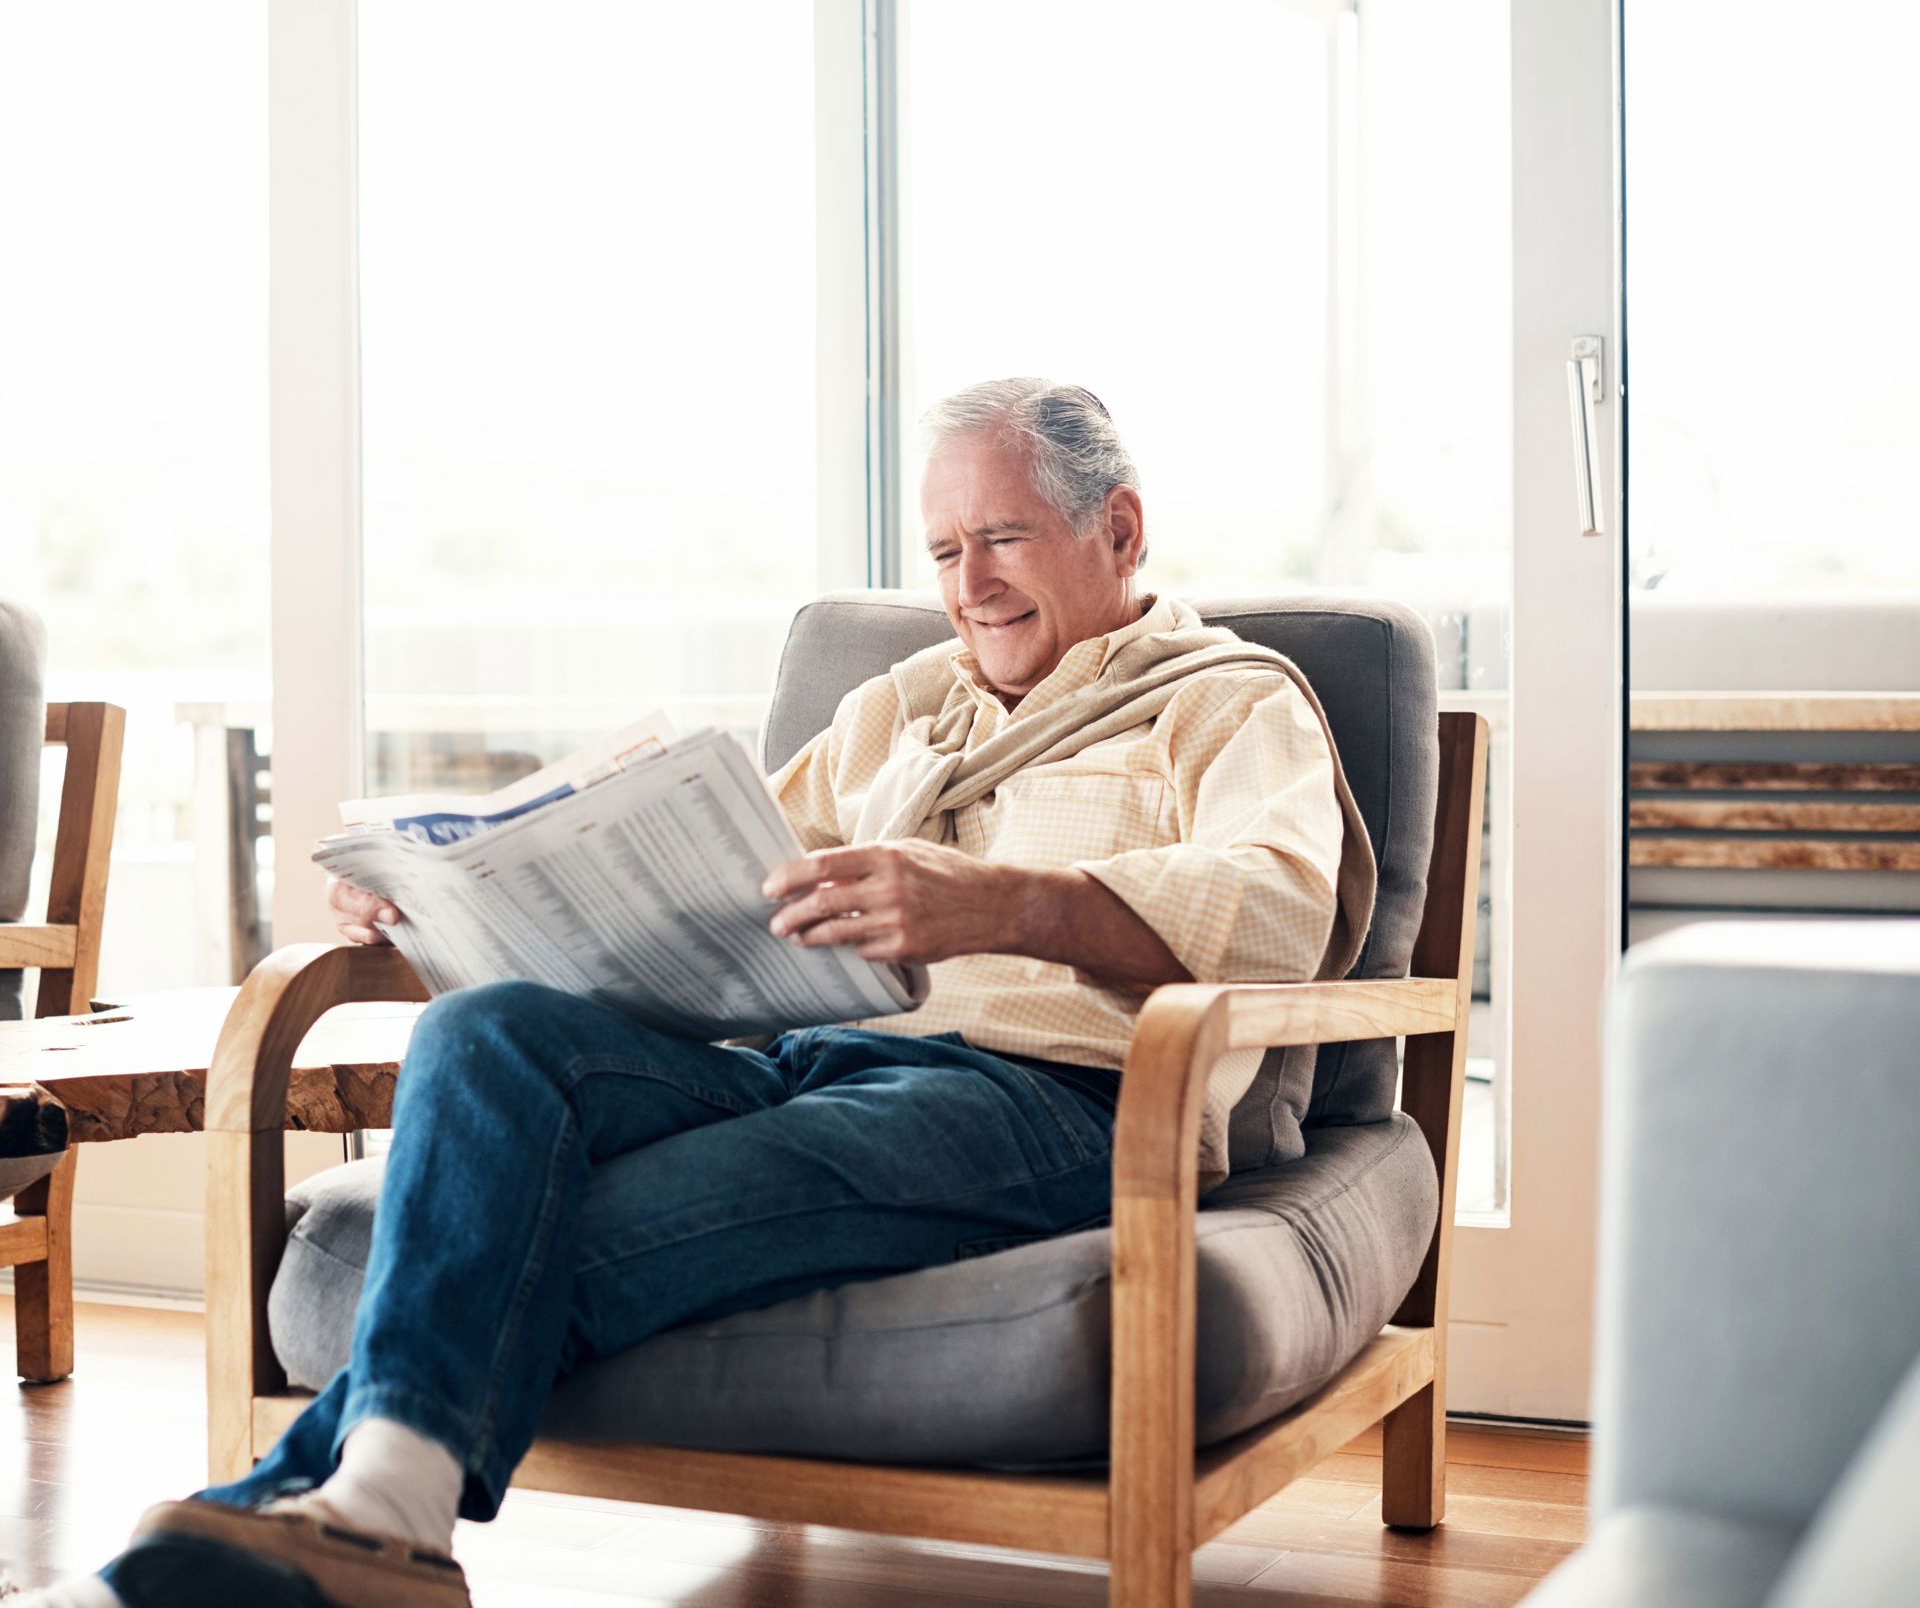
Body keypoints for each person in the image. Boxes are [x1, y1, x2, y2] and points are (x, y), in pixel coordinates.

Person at [28, 378, 1373, 1608]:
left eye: (1005, 537)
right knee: (485, 1030)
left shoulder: (1229, 704)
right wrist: (442, 898)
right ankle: (369, 1530)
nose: (972, 583)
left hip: (1049, 1103)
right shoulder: (906, 707)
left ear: (1120, 527)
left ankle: (299, 1532)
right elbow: (727, 884)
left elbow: (1278, 910)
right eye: (948, 550)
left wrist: (1006, 899)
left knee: (536, 1228)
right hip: (811, 1053)